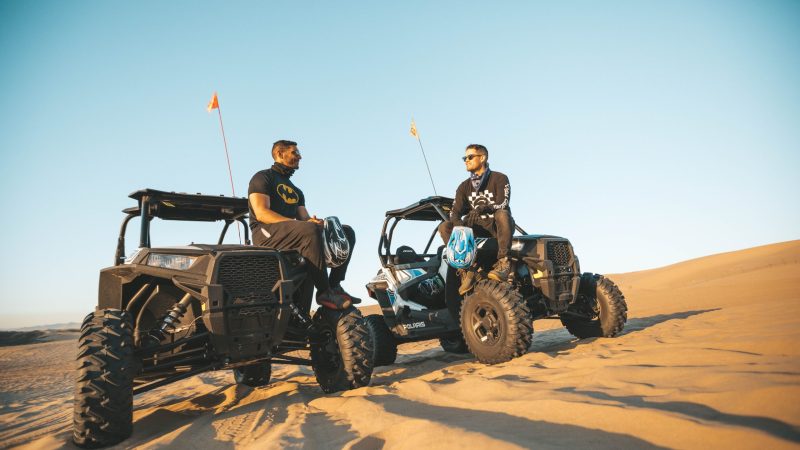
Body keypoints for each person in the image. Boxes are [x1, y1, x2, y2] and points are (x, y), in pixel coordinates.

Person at [248, 140, 359, 310]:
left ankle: (335, 285)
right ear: (279, 153)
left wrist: (316, 223)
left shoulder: (296, 190)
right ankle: (324, 292)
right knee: (309, 229)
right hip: (265, 233)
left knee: (346, 231)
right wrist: (304, 225)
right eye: (295, 152)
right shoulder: (263, 177)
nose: (300, 156)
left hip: (293, 233)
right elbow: (262, 213)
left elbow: (304, 218)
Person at [439, 144, 515, 294]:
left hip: (496, 227)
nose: (466, 160)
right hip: (476, 230)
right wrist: (460, 227)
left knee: (502, 213)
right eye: (464, 158)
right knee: (445, 226)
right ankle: (467, 269)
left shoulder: (499, 178)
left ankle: (504, 262)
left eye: (470, 157)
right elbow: (454, 213)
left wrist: (483, 207)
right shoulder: (463, 187)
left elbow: (503, 203)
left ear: (483, 158)